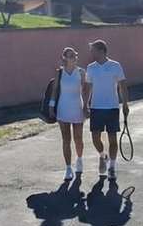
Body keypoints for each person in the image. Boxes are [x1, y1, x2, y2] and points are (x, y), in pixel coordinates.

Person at [82, 38, 128, 179]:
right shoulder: (91, 67)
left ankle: (112, 167)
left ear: (101, 51)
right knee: (95, 139)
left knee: (112, 139)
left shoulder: (115, 66)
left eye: (93, 51)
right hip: (96, 108)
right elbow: (88, 88)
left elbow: (122, 86)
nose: (91, 53)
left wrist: (125, 104)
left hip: (112, 108)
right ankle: (103, 156)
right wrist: (85, 105)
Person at [50, 47, 86, 181]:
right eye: (71, 56)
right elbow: (54, 90)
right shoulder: (59, 72)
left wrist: (87, 106)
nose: (74, 58)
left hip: (77, 108)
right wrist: (51, 106)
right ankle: (68, 168)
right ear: (64, 58)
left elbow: (86, 91)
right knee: (66, 140)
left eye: (75, 55)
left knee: (78, 139)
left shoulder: (81, 72)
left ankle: (80, 160)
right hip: (63, 108)